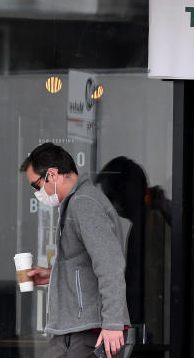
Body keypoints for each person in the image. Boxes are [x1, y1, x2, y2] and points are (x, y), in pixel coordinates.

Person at [21, 143, 130, 358]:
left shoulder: (84, 203)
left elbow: (110, 264)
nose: (36, 193)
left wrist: (113, 323)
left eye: (35, 185)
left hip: (91, 330)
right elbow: (87, 265)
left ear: (51, 174)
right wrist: (53, 275)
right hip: (76, 329)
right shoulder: (76, 203)